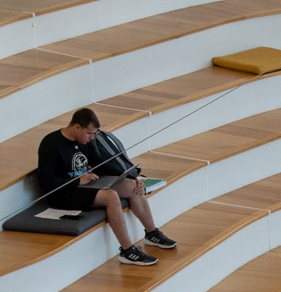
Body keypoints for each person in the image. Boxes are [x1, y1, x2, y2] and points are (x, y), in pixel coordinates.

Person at [35, 107, 176, 267]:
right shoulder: (51, 144)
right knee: (110, 197)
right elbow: (46, 183)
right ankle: (127, 251)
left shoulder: (85, 142)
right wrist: (78, 181)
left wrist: (132, 176)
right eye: (89, 134)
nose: (92, 138)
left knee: (132, 187)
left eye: (94, 134)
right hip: (64, 193)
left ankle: (152, 233)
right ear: (77, 127)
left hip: (86, 184)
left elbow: (102, 165)